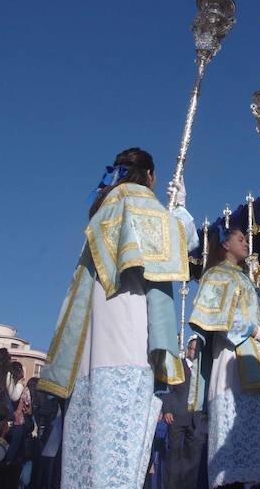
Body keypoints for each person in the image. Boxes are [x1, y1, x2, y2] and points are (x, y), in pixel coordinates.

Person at [38, 147, 196, 489]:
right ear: (150, 175)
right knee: (120, 455)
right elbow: (178, 243)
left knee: (87, 455)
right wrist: (180, 209)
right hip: (128, 337)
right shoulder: (137, 199)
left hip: (90, 347)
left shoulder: (104, 207)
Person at [188, 225, 260, 488]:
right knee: (230, 438)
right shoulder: (215, 275)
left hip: (253, 361)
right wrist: (254, 331)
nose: (247, 244)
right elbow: (213, 318)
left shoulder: (246, 279)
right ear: (225, 244)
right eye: (241, 239)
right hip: (230, 359)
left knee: (252, 435)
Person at [161, 337, 207, 489]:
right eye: (193, 349)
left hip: (196, 419)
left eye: (198, 350)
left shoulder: (202, 369)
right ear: (188, 349)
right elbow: (168, 388)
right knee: (174, 457)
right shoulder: (178, 365)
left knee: (193, 459)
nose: (195, 352)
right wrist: (167, 409)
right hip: (176, 416)